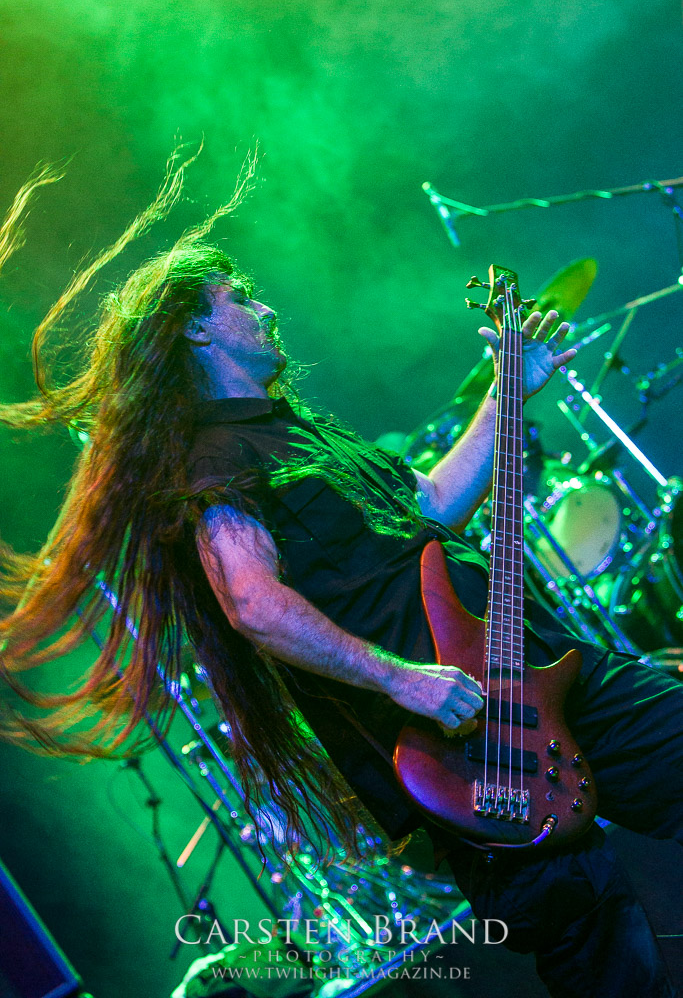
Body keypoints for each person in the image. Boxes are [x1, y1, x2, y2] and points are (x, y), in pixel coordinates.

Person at [1, 160, 681, 998]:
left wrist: (509, 391)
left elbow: (432, 502)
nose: (266, 309)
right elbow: (252, 604)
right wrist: (402, 681)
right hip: (468, 743)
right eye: (242, 299)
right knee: (601, 947)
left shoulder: (304, 429)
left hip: (537, 670)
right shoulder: (211, 462)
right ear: (197, 331)